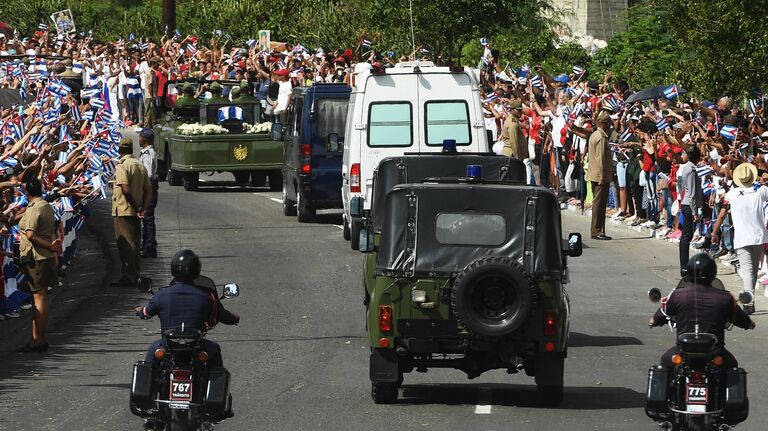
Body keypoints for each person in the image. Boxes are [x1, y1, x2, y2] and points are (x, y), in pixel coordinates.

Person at [136, 249, 240, 369]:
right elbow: (223, 316)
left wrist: (140, 311)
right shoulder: (206, 297)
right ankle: (214, 386)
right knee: (214, 349)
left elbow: (145, 313)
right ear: (197, 271)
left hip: (168, 346)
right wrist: (235, 318)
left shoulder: (161, 295)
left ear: (173, 269)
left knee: (153, 352)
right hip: (196, 347)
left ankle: (146, 387)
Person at [650, 253, 755, 370]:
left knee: (664, 364)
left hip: (682, 352)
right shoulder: (725, 298)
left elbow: (660, 316)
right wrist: (750, 324)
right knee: (733, 368)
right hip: (715, 353)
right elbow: (742, 320)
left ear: (689, 272)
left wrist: (653, 321)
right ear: (713, 273)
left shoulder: (677, 295)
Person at [17, 179, 60, 353]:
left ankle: (38, 340)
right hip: (45, 257)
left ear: (27, 193)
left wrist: (50, 246)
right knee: (41, 298)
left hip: (37, 257)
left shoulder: (36, 208)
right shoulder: (46, 205)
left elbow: (31, 235)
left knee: (39, 299)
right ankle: (37, 338)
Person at [720, 162, 768, 314]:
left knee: (748, 270)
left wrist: (714, 232)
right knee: (752, 270)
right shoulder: (761, 190)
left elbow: (722, 213)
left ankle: (749, 302)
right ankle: (750, 299)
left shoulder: (732, 193)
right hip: (759, 237)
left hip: (742, 238)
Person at [111, 138, 152, 287]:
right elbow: (148, 190)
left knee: (126, 244)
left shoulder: (122, 166)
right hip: (136, 211)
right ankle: (135, 273)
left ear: (120, 150)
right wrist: (144, 208)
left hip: (124, 210)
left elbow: (125, 189)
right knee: (135, 242)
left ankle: (129, 275)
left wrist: (136, 207)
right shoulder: (140, 165)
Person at [586, 110, 614, 240]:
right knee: (600, 205)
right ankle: (598, 231)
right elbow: (601, 159)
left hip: (594, 174)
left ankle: (597, 230)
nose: (609, 126)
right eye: (608, 123)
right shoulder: (601, 137)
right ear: (604, 124)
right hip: (599, 176)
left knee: (598, 204)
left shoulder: (594, 134)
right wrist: (602, 177)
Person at [676, 145, 703, 277]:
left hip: (686, 203)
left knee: (687, 236)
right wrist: (695, 213)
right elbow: (691, 193)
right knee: (686, 237)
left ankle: (685, 265)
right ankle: (684, 266)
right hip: (689, 205)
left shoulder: (687, 168)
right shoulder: (691, 170)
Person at [138, 129, 158, 258]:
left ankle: (149, 246)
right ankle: (147, 243)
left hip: (148, 188)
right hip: (149, 188)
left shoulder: (147, 154)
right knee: (147, 218)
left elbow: (148, 173)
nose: (138, 140)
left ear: (144, 139)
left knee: (148, 217)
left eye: (139, 137)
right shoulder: (148, 152)